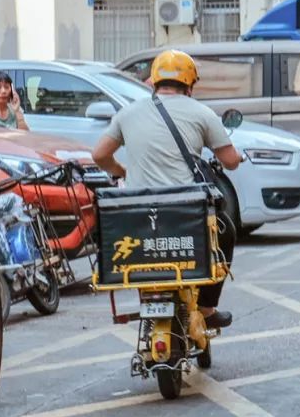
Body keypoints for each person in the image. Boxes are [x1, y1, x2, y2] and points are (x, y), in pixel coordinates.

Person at [92, 49, 244, 329]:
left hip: (137, 210)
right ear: (190, 83)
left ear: (153, 81)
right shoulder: (202, 113)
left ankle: (149, 297)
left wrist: (121, 172)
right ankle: (208, 309)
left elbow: (100, 155)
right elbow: (230, 161)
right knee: (225, 231)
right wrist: (240, 156)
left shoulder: (128, 113)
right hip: (186, 211)